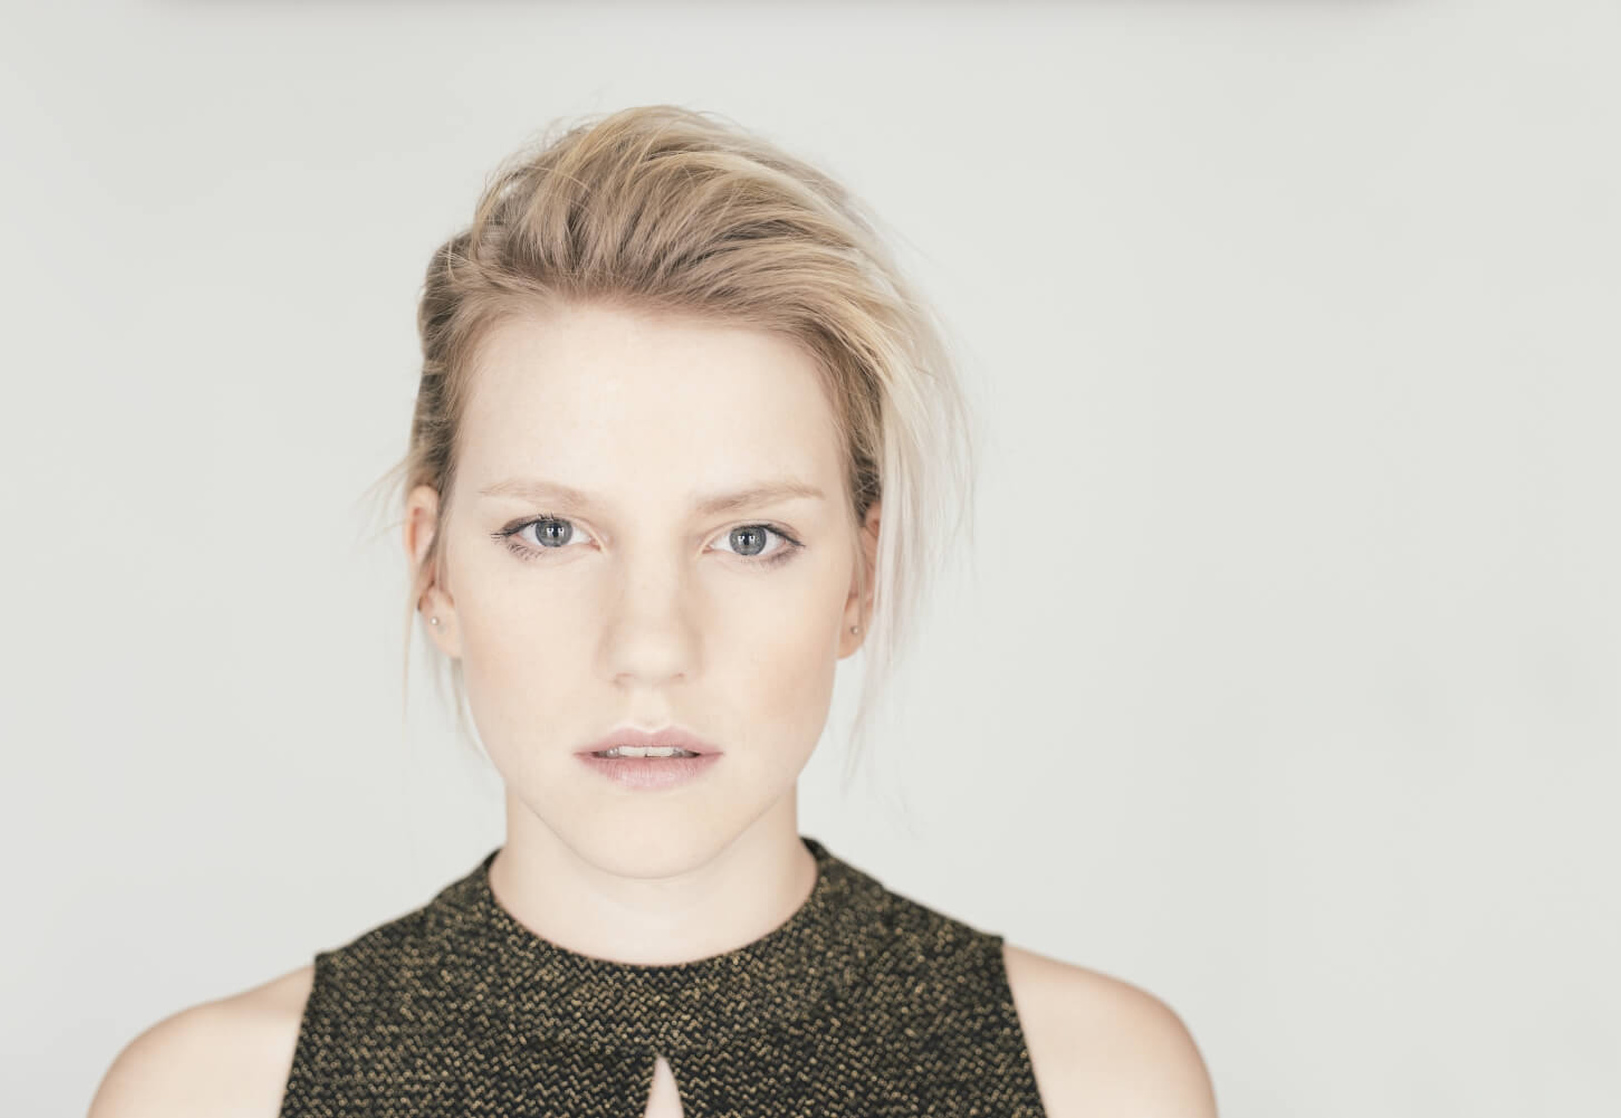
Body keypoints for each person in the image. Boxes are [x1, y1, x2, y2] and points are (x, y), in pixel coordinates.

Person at [88, 104, 1216, 1118]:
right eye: (549, 531)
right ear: (433, 573)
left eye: (749, 538)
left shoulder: (1100, 1084)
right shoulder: (204, 1098)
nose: (650, 647)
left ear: (858, 582)